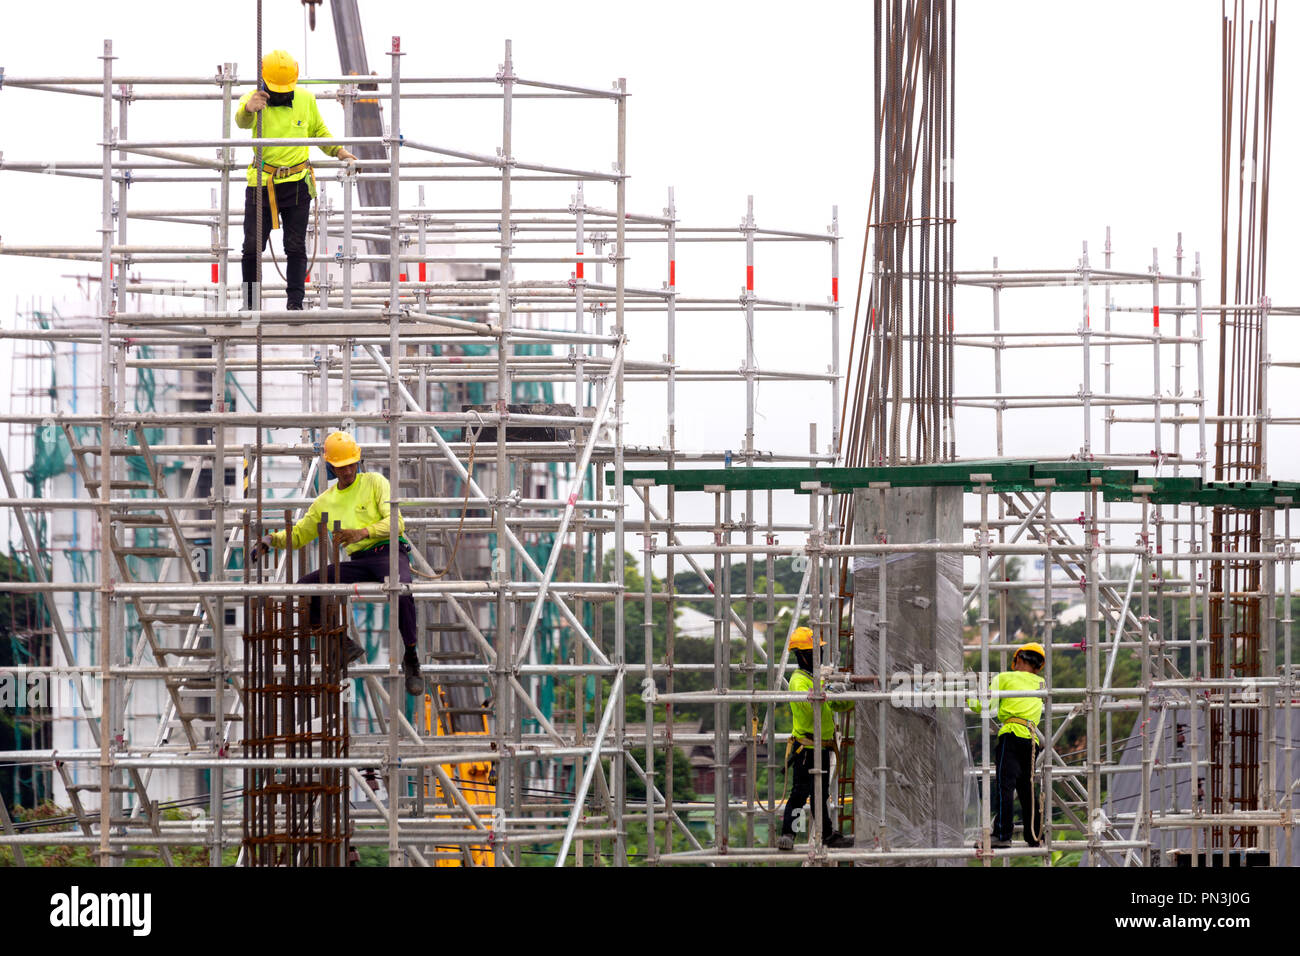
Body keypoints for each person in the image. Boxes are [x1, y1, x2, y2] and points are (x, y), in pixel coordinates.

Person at [249, 431, 424, 696]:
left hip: (388, 553)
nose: (348, 471)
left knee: (401, 588)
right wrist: (270, 540)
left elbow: (396, 522)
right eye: (341, 467)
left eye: (351, 464)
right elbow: (299, 534)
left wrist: (361, 533)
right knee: (306, 590)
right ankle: (341, 643)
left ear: (358, 461)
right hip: (359, 561)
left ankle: (411, 656)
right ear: (332, 467)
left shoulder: (375, 482)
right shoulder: (325, 502)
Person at [236, 49, 356, 311]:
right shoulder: (253, 98)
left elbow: (319, 131)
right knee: (252, 246)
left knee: (295, 245)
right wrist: (248, 108)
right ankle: (250, 304)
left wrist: (339, 151)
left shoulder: (305, 99)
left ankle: (295, 303)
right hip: (261, 180)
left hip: (296, 179)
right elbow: (241, 122)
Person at [778, 626, 852, 850]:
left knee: (820, 794)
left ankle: (827, 834)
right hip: (806, 747)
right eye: (812, 653)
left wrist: (850, 694)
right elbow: (809, 707)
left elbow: (835, 704)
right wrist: (824, 687)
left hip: (822, 747)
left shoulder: (813, 678)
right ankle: (789, 834)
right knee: (800, 792)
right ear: (801, 656)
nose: (816, 657)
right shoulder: (799, 680)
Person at [969, 641, 1046, 849]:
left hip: (1011, 736)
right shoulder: (1041, 684)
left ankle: (1003, 835)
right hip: (1031, 741)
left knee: (1005, 786)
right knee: (1027, 789)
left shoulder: (1004, 678)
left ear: (1019, 659)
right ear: (1038, 665)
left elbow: (984, 707)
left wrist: (970, 696)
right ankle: (1035, 835)